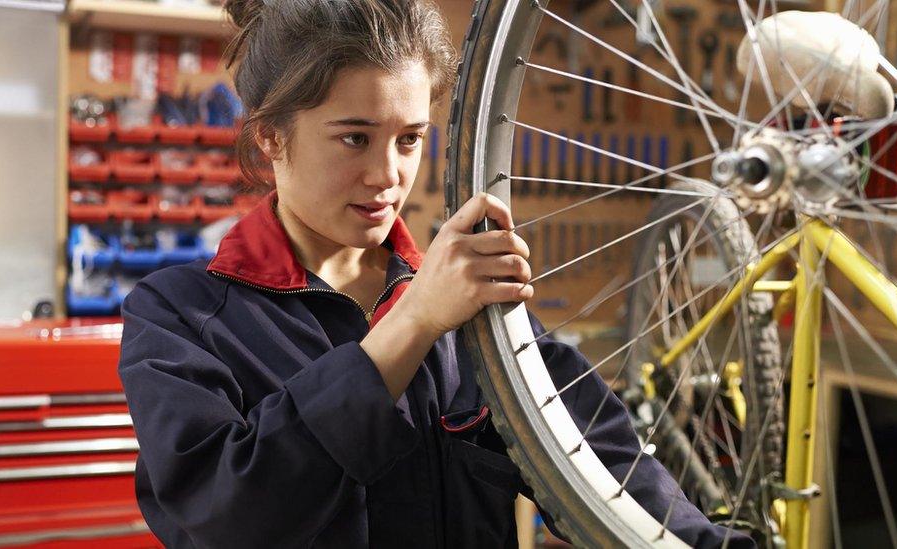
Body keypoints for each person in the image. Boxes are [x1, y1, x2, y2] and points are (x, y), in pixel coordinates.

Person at [117, 0, 755, 547]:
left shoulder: (469, 309)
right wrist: (415, 322)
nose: (388, 175)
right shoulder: (180, 314)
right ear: (270, 139)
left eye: (410, 139)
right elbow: (225, 517)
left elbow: (603, 464)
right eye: (354, 139)